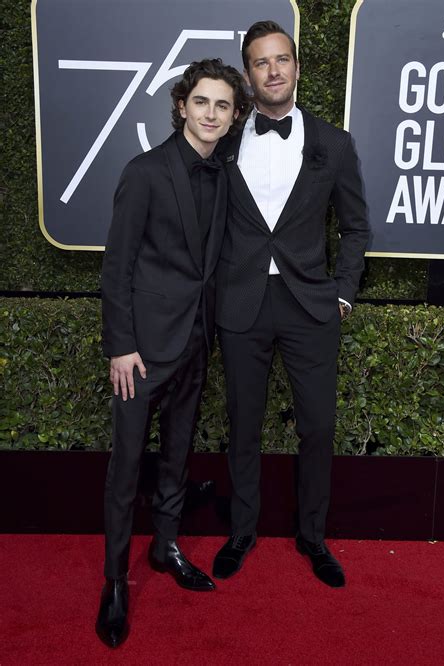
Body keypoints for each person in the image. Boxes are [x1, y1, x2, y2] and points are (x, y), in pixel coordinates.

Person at [96, 58, 249, 648]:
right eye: (202, 102)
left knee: (178, 453)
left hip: (195, 342)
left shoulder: (226, 173)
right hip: (142, 353)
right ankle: (114, 581)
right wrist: (122, 346)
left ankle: (165, 547)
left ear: (234, 116)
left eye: (223, 105)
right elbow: (118, 269)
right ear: (182, 105)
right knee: (126, 467)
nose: (211, 114)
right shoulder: (146, 172)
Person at [212, 21, 370, 587]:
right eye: (260, 62)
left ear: (297, 68)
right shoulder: (224, 142)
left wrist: (344, 293)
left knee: (318, 428)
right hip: (242, 304)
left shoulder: (333, 142)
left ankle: (313, 535)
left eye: (282, 60)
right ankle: (242, 531)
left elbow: (356, 228)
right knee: (244, 424)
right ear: (248, 74)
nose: (273, 70)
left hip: (310, 305)